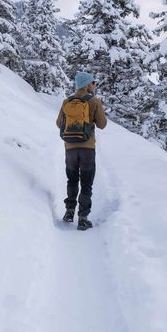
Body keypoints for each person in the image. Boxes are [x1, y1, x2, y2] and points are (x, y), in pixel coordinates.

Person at [56, 71, 107, 230]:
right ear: (86, 84)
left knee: (71, 179)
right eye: (93, 82)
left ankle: (69, 211)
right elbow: (102, 124)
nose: (94, 85)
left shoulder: (67, 101)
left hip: (70, 148)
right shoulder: (94, 101)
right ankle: (83, 218)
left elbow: (59, 124)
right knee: (86, 182)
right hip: (87, 148)